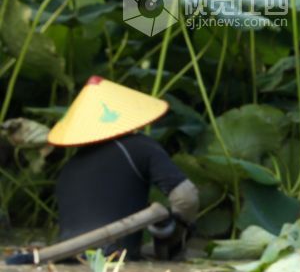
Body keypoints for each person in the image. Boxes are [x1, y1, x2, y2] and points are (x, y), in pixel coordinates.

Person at [47, 76, 198, 261]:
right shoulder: (139, 146)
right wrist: (176, 235)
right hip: (115, 258)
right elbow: (186, 197)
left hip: (66, 258)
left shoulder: (69, 168)